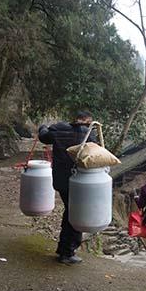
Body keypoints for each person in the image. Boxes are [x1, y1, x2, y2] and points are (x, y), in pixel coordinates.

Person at [38, 111, 95, 265]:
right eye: (89, 122)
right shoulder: (88, 134)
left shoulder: (58, 129)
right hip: (79, 181)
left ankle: (64, 249)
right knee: (76, 214)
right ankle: (67, 252)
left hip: (61, 180)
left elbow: (43, 137)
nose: (90, 125)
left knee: (70, 212)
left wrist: (43, 127)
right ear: (85, 120)